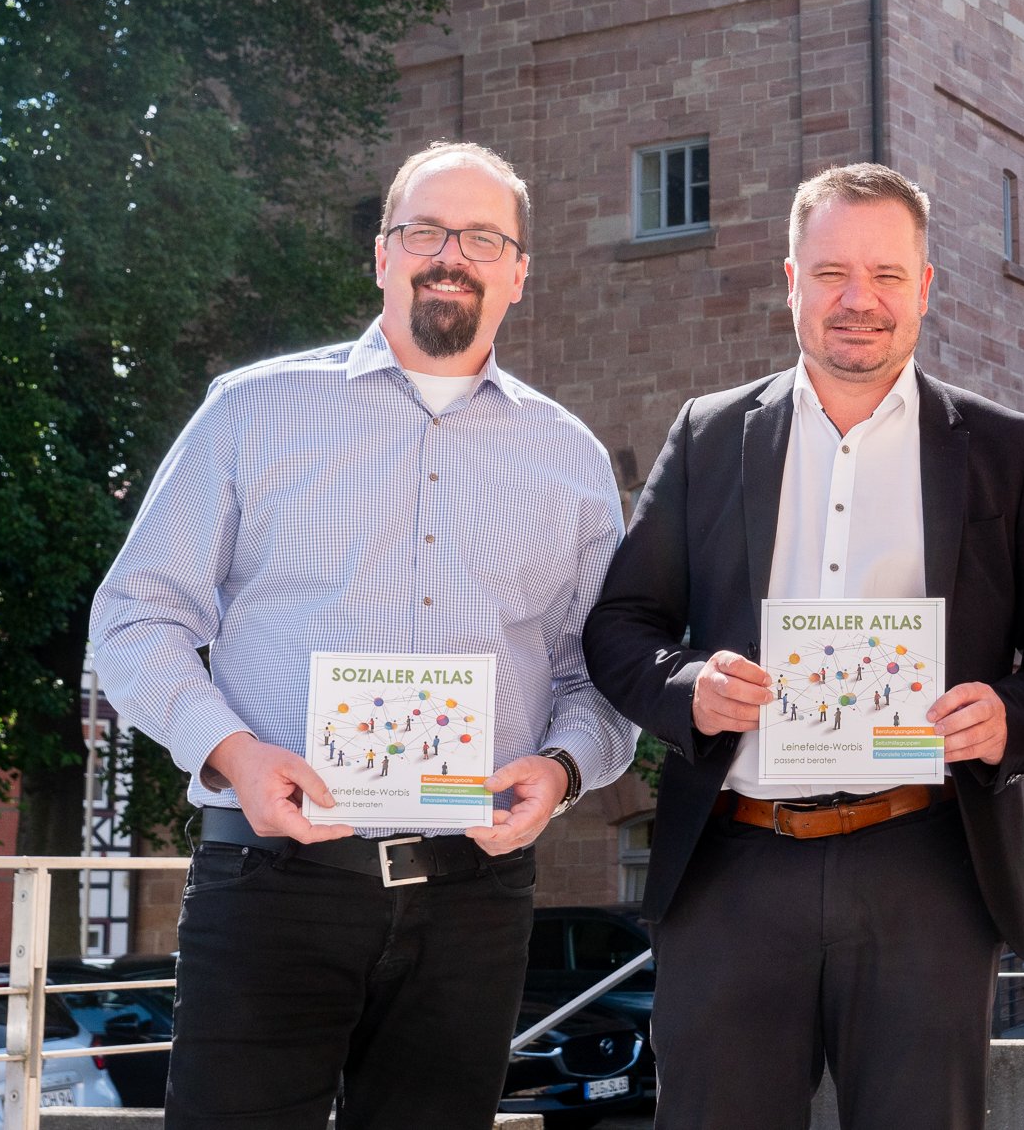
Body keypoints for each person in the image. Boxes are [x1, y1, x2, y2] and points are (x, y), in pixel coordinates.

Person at [90, 141, 637, 1130]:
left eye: (481, 236)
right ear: (381, 255)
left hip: (473, 899)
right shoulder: (252, 413)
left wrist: (559, 771)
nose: (449, 255)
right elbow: (136, 616)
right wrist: (235, 755)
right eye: (423, 230)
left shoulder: (568, 459)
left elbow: (596, 671)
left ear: (518, 271)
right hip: (273, 883)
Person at [582, 163, 1024, 1130]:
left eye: (887, 274)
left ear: (926, 286)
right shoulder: (710, 434)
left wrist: (1009, 717)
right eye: (831, 273)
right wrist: (687, 685)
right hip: (733, 868)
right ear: (790, 281)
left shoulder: (1004, 447)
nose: (859, 299)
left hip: (927, 867)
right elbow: (619, 626)